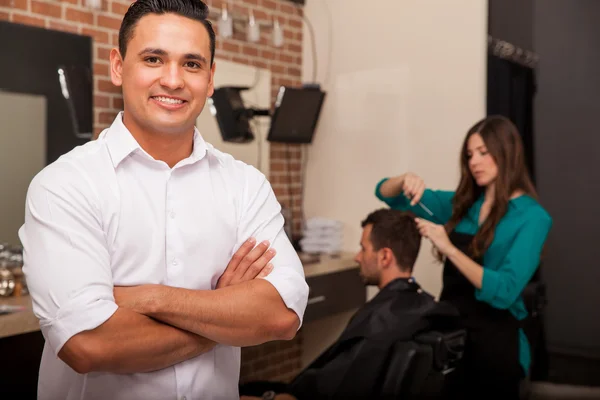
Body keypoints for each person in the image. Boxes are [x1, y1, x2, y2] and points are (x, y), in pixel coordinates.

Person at [18, 1, 308, 399]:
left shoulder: (245, 186)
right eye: (154, 58)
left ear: (210, 79)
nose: (173, 80)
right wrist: (221, 313)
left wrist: (150, 299)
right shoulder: (66, 185)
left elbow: (281, 316)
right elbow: (89, 345)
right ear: (119, 66)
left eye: (191, 64)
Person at [375, 115, 552, 398]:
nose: (474, 162)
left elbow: (505, 290)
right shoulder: (461, 205)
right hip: (451, 336)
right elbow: (386, 193)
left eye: (484, 153)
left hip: (496, 343)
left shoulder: (533, 218)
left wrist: (449, 248)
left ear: (508, 152)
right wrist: (404, 180)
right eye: (470, 155)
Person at [240, 209, 460, 400]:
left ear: (385, 257)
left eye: (363, 248)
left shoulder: (380, 325)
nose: (357, 257)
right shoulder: (424, 308)